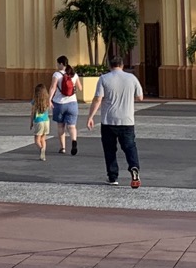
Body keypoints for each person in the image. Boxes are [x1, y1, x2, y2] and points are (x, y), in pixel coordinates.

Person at [87, 55, 143, 187]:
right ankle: (134, 167)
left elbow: (98, 99)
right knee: (130, 147)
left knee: (110, 149)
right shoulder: (132, 78)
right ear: (122, 65)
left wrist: (90, 116)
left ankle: (113, 177)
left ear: (110, 66)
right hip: (127, 120)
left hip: (109, 120)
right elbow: (140, 97)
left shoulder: (104, 78)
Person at [47, 55, 82, 155]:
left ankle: (62, 147)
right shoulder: (74, 74)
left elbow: (52, 87)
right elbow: (80, 88)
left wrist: (49, 99)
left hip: (59, 103)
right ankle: (74, 141)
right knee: (72, 126)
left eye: (58, 63)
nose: (57, 65)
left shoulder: (56, 75)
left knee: (60, 126)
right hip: (72, 103)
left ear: (61, 64)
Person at [30, 82, 50, 161]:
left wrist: (31, 123)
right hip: (46, 121)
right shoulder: (47, 101)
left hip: (38, 121)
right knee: (43, 139)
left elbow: (33, 113)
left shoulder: (35, 101)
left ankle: (41, 149)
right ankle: (43, 154)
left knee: (37, 139)